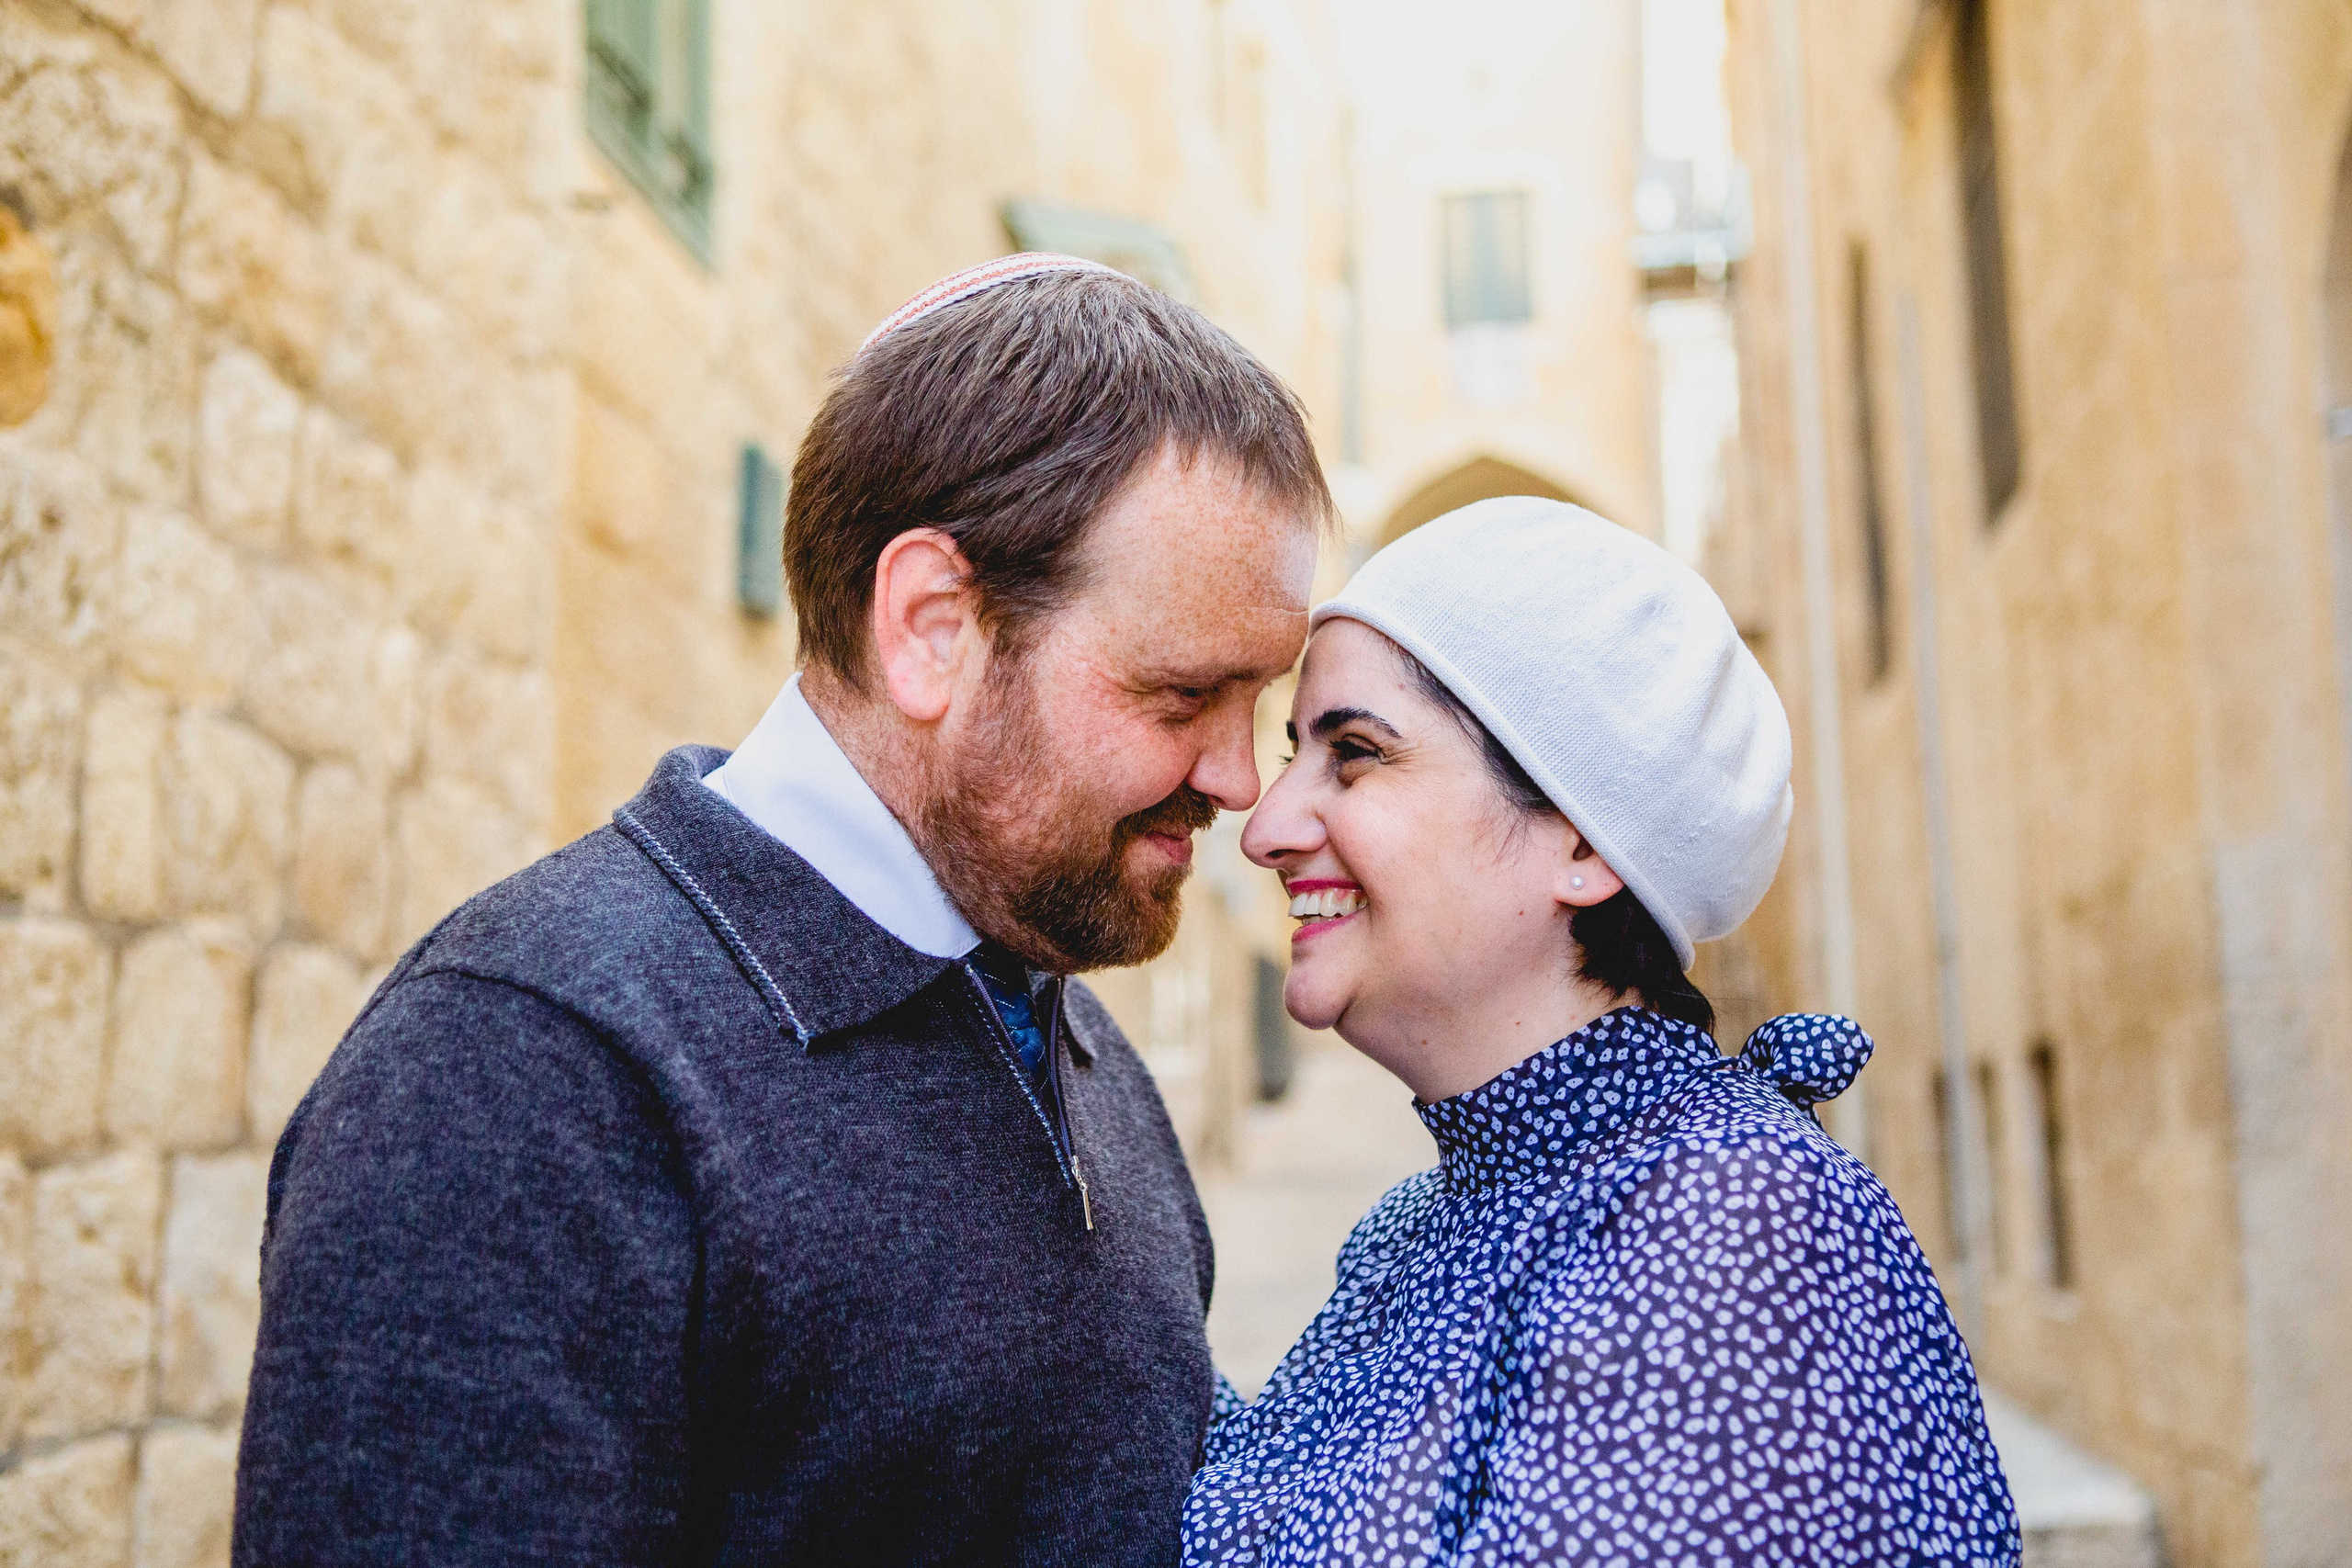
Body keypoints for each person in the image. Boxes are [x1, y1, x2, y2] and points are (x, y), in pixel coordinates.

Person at [234, 255, 1332, 1566]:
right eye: (1179, 697)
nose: (1238, 781)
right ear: (932, 624)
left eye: (1256, 707)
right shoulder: (521, 1070)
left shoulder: (1084, 1050)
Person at [1185, 498, 2019, 1565]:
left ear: (1582, 838)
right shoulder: (1420, 1229)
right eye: (1294, 751)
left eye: (1353, 755)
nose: (1266, 826)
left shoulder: (1734, 1230)